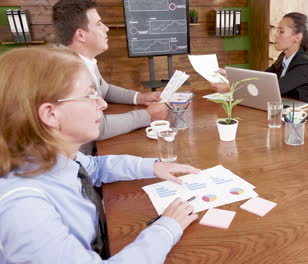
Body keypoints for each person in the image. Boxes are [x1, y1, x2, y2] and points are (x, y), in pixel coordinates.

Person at [0, 47, 199, 263]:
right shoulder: (25, 211)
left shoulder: (47, 155)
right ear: (50, 114)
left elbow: (93, 168)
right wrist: (167, 229)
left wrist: (153, 166)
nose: (103, 104)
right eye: (90, 95)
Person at [52, 0, 168, 154]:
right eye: (99, 24)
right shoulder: (66, 70)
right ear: (81, 35)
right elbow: (98, 126)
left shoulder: (80, 59)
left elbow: (104, 89)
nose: (106, 29)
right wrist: (147, 115)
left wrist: (140, 97)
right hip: (83, 163)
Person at [211, 12, 308, 110]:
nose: (275, 35)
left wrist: (232, 86)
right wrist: (232, 76)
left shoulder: (306, 64)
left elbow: (273, 88)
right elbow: (262, 78)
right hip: (291, 112)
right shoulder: (284, 58)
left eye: (281, 31)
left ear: (298, 37)